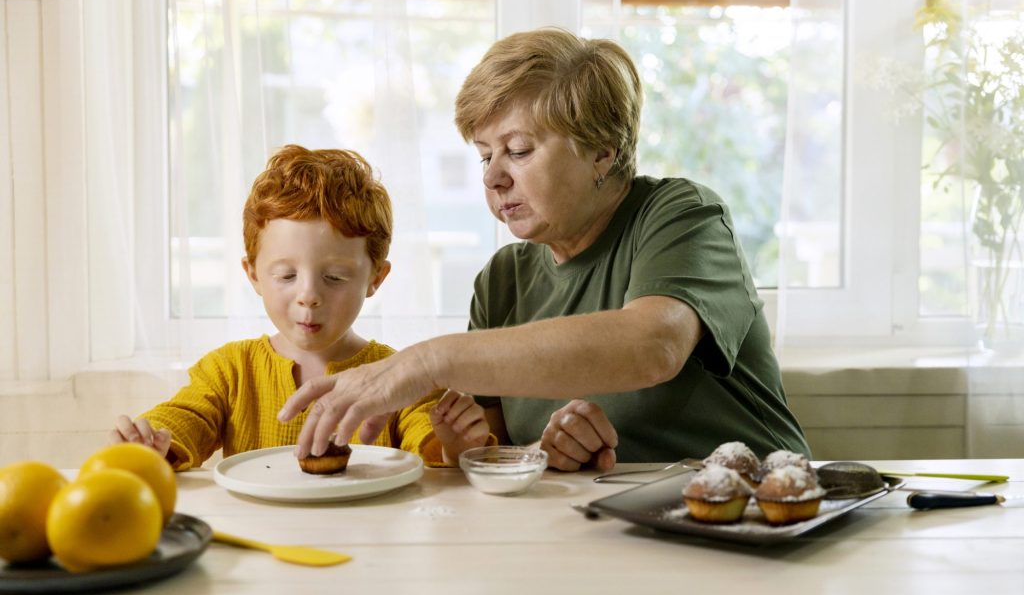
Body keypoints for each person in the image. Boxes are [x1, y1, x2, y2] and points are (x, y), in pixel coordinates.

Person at [278, 28, 811, 471]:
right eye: (484, 156)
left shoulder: (680, 214)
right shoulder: (503, 278)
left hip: (754, 518)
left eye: (518, 150)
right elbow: (494, 453)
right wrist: (542, 452)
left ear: (603, 148)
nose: (493, 177)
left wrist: (429, 361)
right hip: (599, 531)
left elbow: (653, 345)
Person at [108, 145, 492, 469]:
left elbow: (429, 440)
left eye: (335, 278)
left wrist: (453, 445)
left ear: (375, 277)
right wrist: (150, 442)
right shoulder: (227, 373)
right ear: (253, 274)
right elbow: (185, 417)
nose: (308, 295)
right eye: (287, 276)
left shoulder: (394, 378)